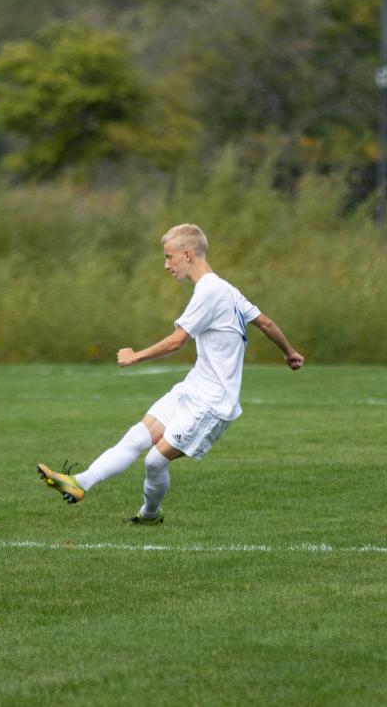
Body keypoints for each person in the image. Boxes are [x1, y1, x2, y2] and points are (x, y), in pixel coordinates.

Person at [37, 223, 304, 524]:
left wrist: (136, 356)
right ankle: (80, 483)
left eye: (169, 257)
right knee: (136, 437)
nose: (166, 265)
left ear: (187, 254)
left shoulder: (210, 291)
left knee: (154, 461)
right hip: (192, 389)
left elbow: (178, 341)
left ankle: (150, 515)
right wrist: (289, 352)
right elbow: (265, 323)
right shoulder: (225, 289)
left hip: (213, 402)